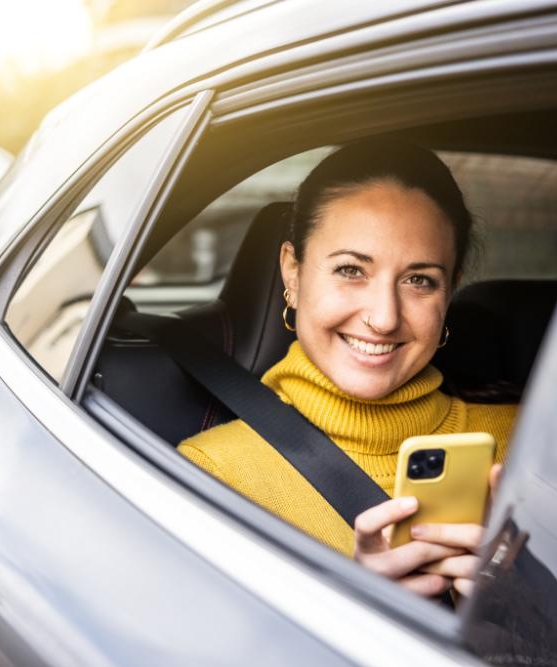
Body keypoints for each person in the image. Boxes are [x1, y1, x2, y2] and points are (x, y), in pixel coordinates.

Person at [178, 138, 516, 598]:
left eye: (420, 281)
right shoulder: (212, 475)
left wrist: (516, 608)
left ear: (450, 292)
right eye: (351, 270)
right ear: (292, 274)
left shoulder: (527, 449)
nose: (384, 317)